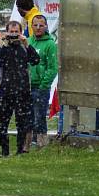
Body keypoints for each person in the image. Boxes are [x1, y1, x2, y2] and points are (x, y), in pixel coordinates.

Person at [0, 20, 40, 156]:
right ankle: (5, 151)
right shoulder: (3, 48)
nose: (14, 35)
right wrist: (4, 44)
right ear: (7, 32)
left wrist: (27, 44)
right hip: (6, 92)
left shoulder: (24, 47)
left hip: (23, 91)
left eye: (16, 32)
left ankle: (20, 150)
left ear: (21, 33)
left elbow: (36, 60)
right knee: (3, 123)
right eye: (11, 32)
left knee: (22, 123)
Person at [29, 14, 58, 149]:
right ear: (31, 26)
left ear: (46, 26)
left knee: (39, 116)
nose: (38, 27)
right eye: (35, 25)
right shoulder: (28, 42)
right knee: (28, 115)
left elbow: (52, 68)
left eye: (41, 25)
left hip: (41, 88)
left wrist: (43, 85)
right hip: (27, 86)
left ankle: (41, 141)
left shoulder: (50, 44)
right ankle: (29, 141)